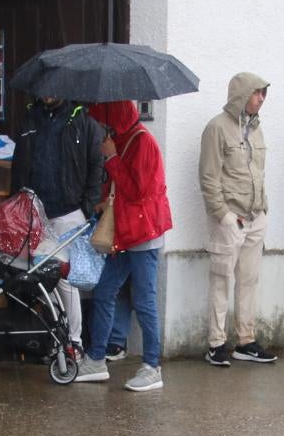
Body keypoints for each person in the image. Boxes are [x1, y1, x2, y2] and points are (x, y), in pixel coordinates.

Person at [75, 100, 170, 391]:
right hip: (127, 233)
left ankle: (152, 367)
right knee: (104, 291)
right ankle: (96, 359)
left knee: (144, 300)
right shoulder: (123, 139)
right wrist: (105, 200)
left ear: (115, 117)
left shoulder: (142, 142)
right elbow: (121, 190)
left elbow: (138, 191)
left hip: (143, 234)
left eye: (105, 120)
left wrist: (113, 158)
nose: (101, 126)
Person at [10, 95, 105, 350]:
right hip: (36, 212)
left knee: (65, 279)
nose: (48, 93)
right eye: (44, 88)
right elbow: (18, 165)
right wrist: (18, 205)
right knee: (42, 279)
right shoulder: (31, 120)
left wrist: (86, 206)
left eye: (54, 87)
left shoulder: (83, 122)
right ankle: (57, 337)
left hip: (68, 212)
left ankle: (73, 341)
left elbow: (97, 164)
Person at [199, 72, 276, 366]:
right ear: (242, 94)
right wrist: (224, 215)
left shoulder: (257, 130)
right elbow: (208, 177)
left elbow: (258, 173)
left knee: (249, 280)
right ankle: (216, 344)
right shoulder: (216, 128)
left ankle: (246, 342)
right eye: (257, 93)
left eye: (263, 94)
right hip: (230, 218)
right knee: (221, 280)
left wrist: (263, 211)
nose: (261, 99)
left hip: (256, 216)